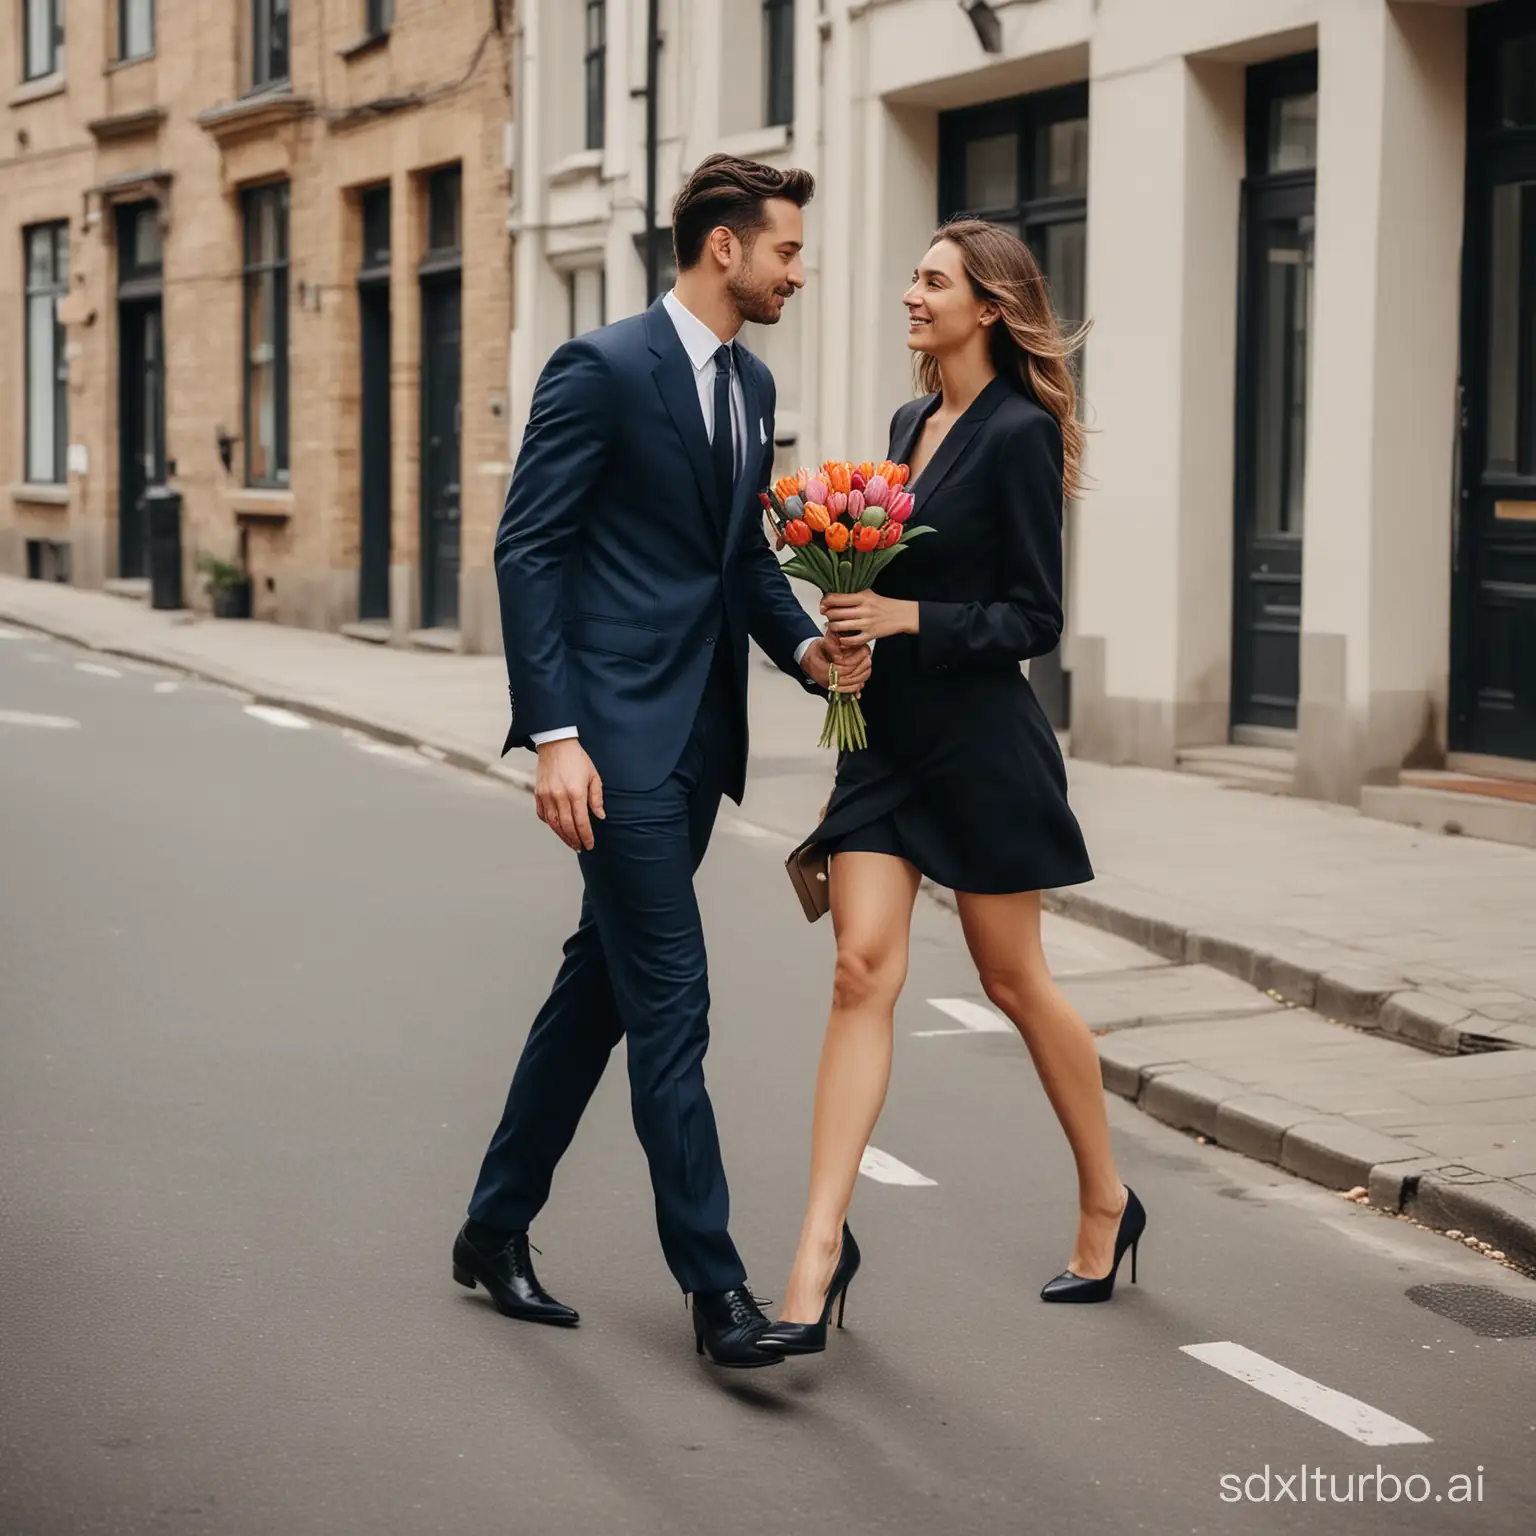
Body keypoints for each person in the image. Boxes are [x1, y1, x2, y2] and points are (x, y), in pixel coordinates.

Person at [455, 155, 870, 1369]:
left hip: (698, 748)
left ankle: (492, 1226)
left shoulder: (750, 383)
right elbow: (529, 552)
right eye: (787, 249)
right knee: (672, 1004)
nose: (802, 269)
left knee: (603, 989)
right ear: (725, 248)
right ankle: (717, 1289)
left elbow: (735, 565)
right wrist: (557, 735)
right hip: (613, 746)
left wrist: (803, 651)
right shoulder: (602, 367)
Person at [757, 221, 1145, 1358]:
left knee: (1015, 981)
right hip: (881, 742)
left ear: (988, 305)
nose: (909, 295)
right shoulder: (906, 425)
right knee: (858, 969)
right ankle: (817, 1254)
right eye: (916, 278)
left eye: (932, 281)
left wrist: (907, 619)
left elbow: (1034, 617)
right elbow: (887, 575)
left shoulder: (1020, 435)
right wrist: (852, 623)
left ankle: (1106, 1201)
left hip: (980, 747)